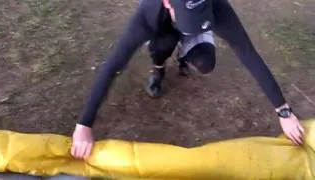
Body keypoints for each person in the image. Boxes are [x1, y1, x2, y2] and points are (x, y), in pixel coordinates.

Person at [71, 0, 305, 159]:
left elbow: (248, 53)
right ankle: (159, 67)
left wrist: (283, 112)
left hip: (193, 20)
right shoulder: (148, 12)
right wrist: (84, 125)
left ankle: (186, 51)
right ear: (167, 4)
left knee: (205, 63)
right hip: (162, 27)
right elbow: (112, 67)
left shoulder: (215, 6)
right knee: (162, 47)